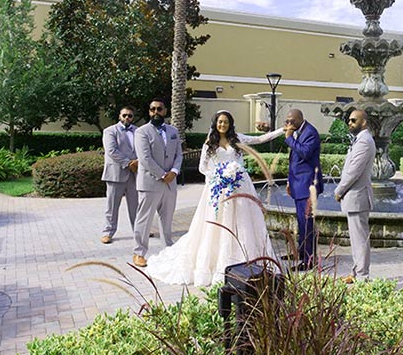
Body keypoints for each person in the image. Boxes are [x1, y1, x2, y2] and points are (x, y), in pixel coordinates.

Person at [146, 110, 284, 286]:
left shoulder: (238, 138)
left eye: (225, 122)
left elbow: (259, 139)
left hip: (240, 186)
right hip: (218, 188)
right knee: (218, 222)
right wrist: (219, 176)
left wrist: (281, 130)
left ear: (230, 123)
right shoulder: (209, 142)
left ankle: (247, 258)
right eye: (220, 122)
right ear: (215, 123)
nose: (222, 125)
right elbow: (203, 168)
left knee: (243, 221)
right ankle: (216, 262)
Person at [132, 98, 183, 268]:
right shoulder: (142, 132)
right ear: (149, 112)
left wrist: (174, 172)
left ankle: (168, 249)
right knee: (144, 219)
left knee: (167, 219)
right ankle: (139, 253)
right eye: (152, 109)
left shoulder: (173, 131)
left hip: (170, 183)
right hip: (150, 183)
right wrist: (163, 175)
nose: (156, 112)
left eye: (159, 109)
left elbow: (179, 155)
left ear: (165, 111)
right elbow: (145, 159)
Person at [334, 109, 376, 283]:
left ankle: (362, 276)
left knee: (360, 240)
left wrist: (339, 191)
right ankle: (357, 272)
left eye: (353, 120)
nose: (349, 123)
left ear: (363, 122)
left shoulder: (364, 141)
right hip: (355, 198)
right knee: (357, 239)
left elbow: (354, 172)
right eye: (349, 121)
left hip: (357, 197)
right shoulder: (360, 140)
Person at [284, 109, 324, 270]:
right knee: (301, 222)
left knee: (307, 224)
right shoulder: (299, 132)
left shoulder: (310, 132)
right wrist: (289, 181)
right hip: (298, 184)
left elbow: (305, 153)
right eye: (287, 121)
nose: (289, 124)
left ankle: (309, 261)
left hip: (307, 185)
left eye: (292, 121)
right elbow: (295, 160)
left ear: (301, 119)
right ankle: (301, 253)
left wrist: (289, 138)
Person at [100, 106, 139, 244]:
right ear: (119, 116)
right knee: (112, 206)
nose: (127, 118)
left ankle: (138, 231)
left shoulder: (138, 131)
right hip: (115, 174)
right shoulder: (109, 131)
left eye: (130, 116)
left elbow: (142, 149)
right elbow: (111, 151)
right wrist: (129, 163)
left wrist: (138, 162)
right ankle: (108, 232)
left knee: (136, 206)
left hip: (134, 174)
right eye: (124, 115)